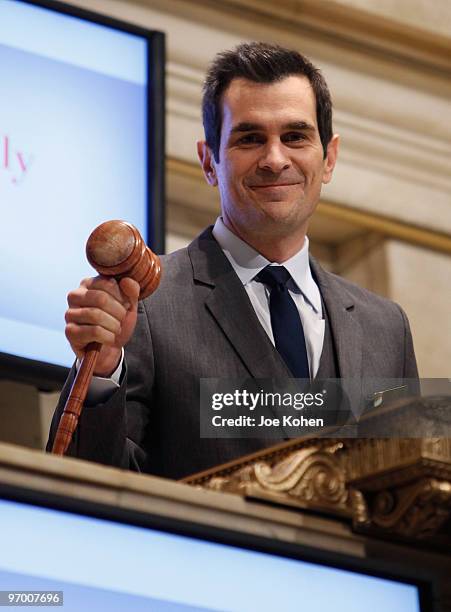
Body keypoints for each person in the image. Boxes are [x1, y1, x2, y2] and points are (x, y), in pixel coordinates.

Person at [47, 42, 418, 479]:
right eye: (250, 138)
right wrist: (103, 372)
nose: (275, 159)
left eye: (295, 136)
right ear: (209, 162)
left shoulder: (385, 328)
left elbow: (411, 492)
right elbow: (87, 489)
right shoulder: (145, 305)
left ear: (329, 157)